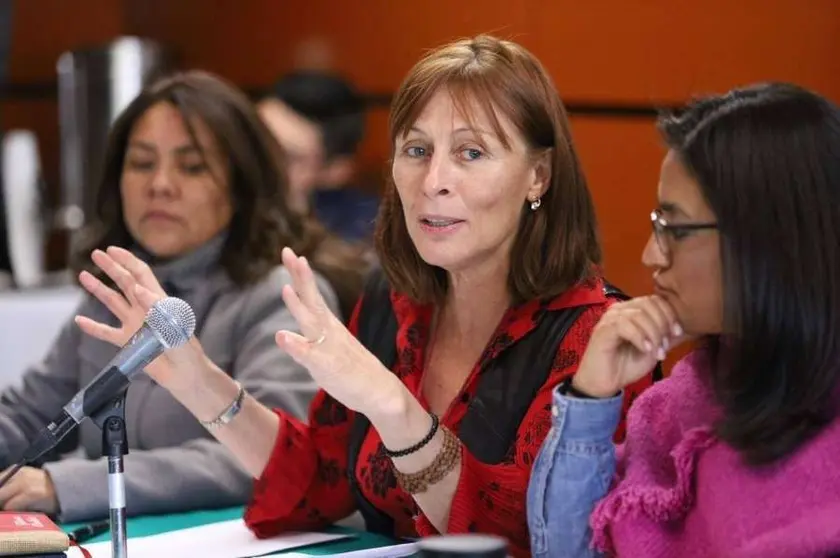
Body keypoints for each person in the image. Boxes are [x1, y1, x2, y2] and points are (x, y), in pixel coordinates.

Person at [77, 36, 653, 557]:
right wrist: (198, 380)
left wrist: (394, 407)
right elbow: (318, 477)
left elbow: (533, 540)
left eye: (471, 153)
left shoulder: (599, 339)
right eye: (417, 150)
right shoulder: (397, 303)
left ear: (539, 176)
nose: (434, 183)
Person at [0, 70, 366, 522]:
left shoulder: (279, 297)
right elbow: (29, 414)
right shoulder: (117, 287)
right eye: (141, 163)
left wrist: (70, 485)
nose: (160, 185)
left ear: (239, 184)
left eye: (191, 167)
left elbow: (264, 458)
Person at [526, 83, 840, 557]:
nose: (651, 255)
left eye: (675, 229)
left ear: (767, 238)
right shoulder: (686, 397)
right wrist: (590, 396)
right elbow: (562, 551)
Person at [257, 70, 380, 244]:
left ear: (336, 171)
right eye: (254, 139)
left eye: (287, 157)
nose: (259, 160)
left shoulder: (367, 236)